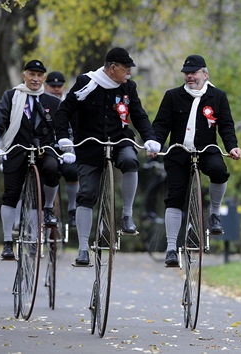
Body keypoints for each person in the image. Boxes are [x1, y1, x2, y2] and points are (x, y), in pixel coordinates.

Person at [55, 47, 161, 266]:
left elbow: (139, 115)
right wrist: (64, 138)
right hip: (90, 144)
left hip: (120, 139)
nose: (129, 74)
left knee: (131, 161)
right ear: (113, 68)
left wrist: (150, 137)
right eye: (126, 69)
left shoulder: (128, 87)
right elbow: (64, 111)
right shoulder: (86, 82)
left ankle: (127, 217)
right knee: (86, 194)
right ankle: (83, 248)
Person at [152, 54, 241, 267]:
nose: (189, 77)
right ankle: (172, 248)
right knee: (175, 196)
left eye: (193, 73)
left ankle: (213, 214)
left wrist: (232, 147)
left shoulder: (217, 97)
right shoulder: (172, 96)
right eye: (187, 73)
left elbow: (226, 127)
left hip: (206, 151)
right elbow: (161, 125)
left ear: (205, 74)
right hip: (179, 152)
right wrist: (155, 143)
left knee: (220, 171)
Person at [0, 60, 75, 260]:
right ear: (24, 76)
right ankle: (8, 241)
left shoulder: (53, 102)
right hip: (17, 148)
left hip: (46, 148)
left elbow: (64, 128)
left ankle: (47, 210)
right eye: (31, 74)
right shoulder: (11, 97)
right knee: (10, 192)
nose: (35, 78)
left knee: (53, 169)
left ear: (43, 78)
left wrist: (68, 146)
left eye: (39, 75)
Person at [45, 71, 79, 227]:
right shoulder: (41, 102)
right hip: (46, 148)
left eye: (59, 86)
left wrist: (73, 148)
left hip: (67, 148)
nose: (56, 89)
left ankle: (72, 208)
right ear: (46, 86)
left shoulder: (70, 104)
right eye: (53, 86)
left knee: (72, 171)